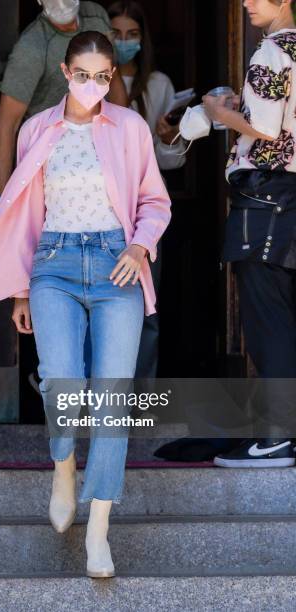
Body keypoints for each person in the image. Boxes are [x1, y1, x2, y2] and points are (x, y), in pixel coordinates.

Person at [0, 31, 171, 576]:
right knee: (61, 380)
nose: (95, 84)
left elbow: (154, 200)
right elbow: (24, 214)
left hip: (116, 264)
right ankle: (62, 466)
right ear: (66, 72)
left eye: (105, 76)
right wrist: (20, 290)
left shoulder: (131, 127)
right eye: (85, 74)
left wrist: (141, 244)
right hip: (53, 265)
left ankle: (99, 528)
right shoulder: (37, 130)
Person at [202, 0, 296, 467]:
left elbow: (262, 128)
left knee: (269, 319)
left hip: (266, 201)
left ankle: (278, 436)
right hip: (291, 198)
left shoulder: (272, 52)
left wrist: (217, 111)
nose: (246, 3)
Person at [103, 0, 186, 379]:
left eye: (131, 35)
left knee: (146, 303)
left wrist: (168, 139)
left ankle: (141, 399)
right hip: (100, 204)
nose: (123, 42)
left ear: (143, 39)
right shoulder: (92, 82)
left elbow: (172, 163)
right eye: (115, 35)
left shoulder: (158, 84)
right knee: (101, 300)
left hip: (148, 205)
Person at [0, 0, 128, 206]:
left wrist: (123, 141)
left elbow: (114, 81)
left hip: (99, 151)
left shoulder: (96, 16)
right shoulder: (32, 48)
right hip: (51, 162)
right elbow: (6, 126)